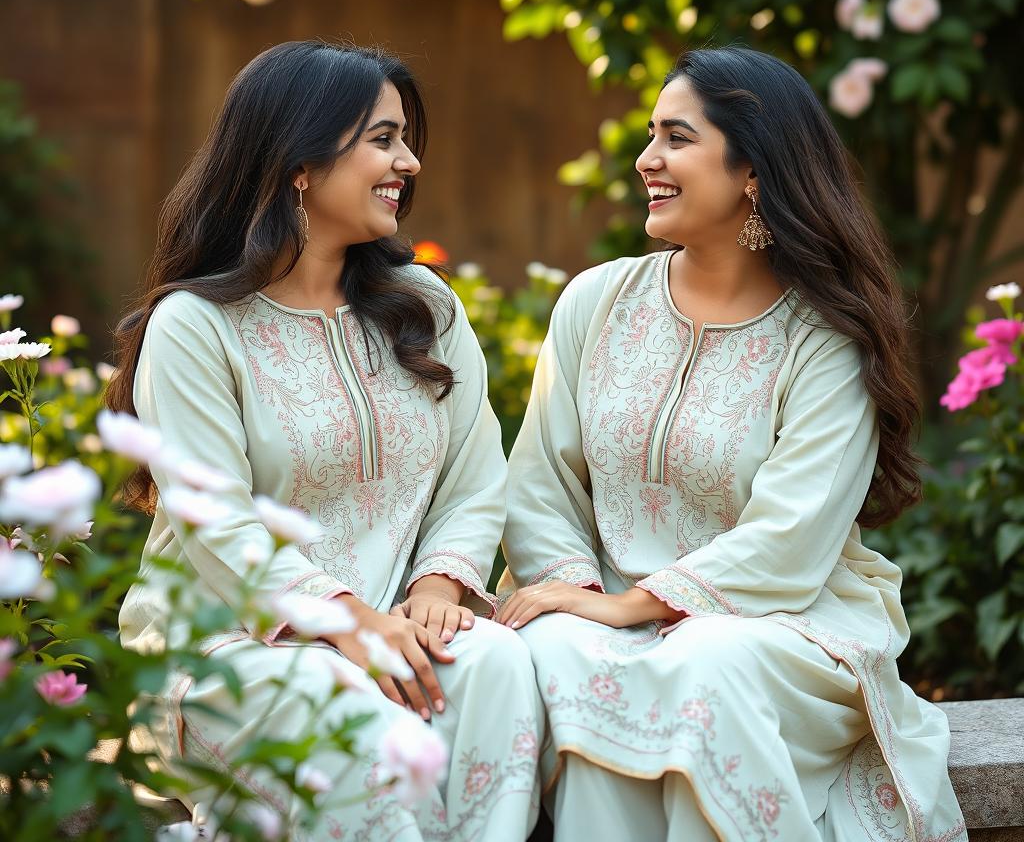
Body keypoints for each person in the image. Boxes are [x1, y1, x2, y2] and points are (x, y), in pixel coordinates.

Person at [499, 46, 965, 841]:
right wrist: (583, 598)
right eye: (651, 137)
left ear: (754, 170)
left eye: (677, 139)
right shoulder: (595, 304)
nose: (648, 159)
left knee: (705, 663)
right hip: (604, 615)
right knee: (556, 650)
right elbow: (541, 489)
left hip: (781, 626)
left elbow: (790, 540)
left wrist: (630, 607)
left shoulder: (826, 339)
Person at [113, 41, 542, 841]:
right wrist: (345, 620)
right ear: (300, 163)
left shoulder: (424, 306)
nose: (408, 161)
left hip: (397, 624)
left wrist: (438, 591)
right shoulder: (196, 328)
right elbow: (220, 524)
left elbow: (475, 478)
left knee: (496, 665)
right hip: (233, 650)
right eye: (383, 139)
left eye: (405, 139)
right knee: (351, 723)